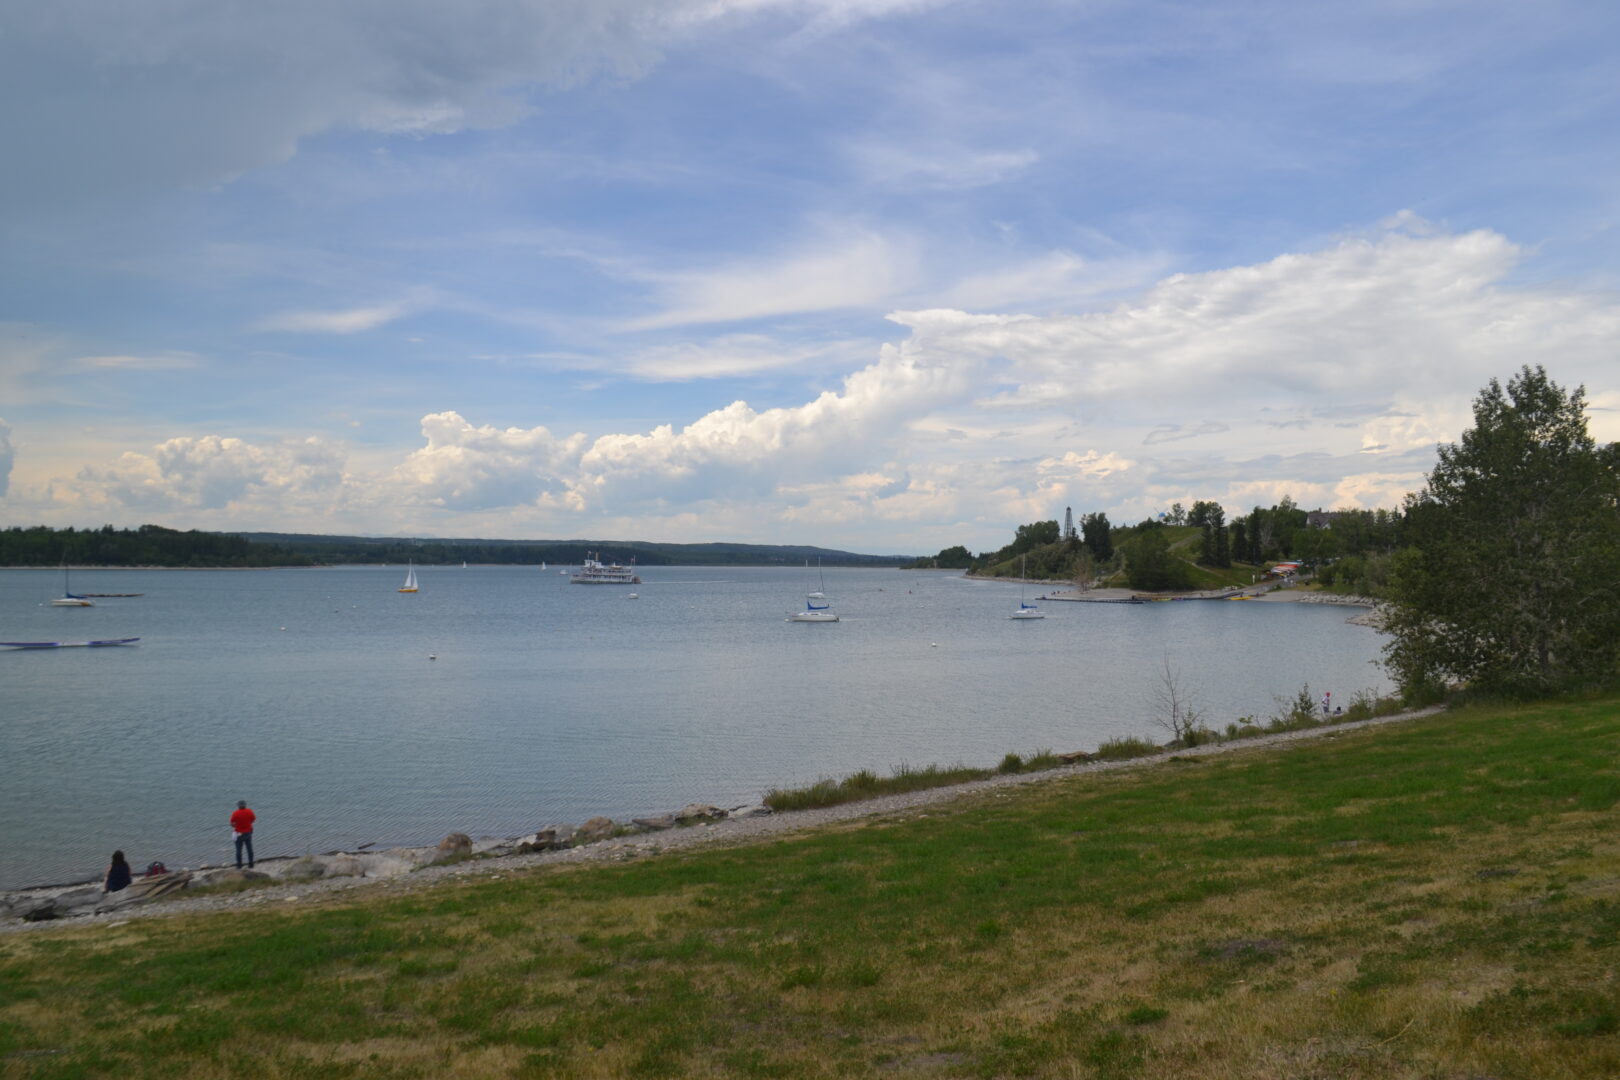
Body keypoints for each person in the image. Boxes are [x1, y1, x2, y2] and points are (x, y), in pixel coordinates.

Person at [231, 800, 256, 869]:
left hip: (238, 834)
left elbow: (232, 823)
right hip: (248, 833)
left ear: (238, 806)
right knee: (249, 849)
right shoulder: (249, 811)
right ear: (245, 805)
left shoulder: (235, 813)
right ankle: (251, 864)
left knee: (238, 850)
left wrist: (234, 825)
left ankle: (239, 865)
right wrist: (248, 823)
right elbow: (253, 819)